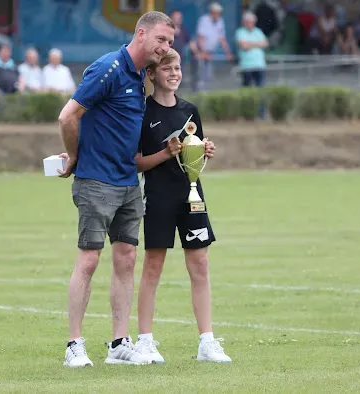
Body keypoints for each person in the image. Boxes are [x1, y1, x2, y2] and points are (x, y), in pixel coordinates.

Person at [56, 11, 175, 367]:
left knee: (126, 259)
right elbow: (68, 115)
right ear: (141, 34)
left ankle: (119, 344)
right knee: (89, 259)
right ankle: (74, 345)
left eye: (170, 42)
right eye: (161, 40)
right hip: (95, 181)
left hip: (127, 183)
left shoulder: (140, 77)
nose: (166, 48)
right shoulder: (108, 68)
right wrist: (75, 157)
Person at [134, 47, 232, 364]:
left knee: (200, 265)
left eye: (177, 68)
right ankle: (145, 341)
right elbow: (136, 163)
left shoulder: (190, 110)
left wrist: (205, 151)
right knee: (153, 266)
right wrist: (165, 153)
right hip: (158, 197)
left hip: (192, 196)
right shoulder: (142, 113)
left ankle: (207, 342)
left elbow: (194, 156)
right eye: (167, 69)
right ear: (150, 74)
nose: (174, 73)